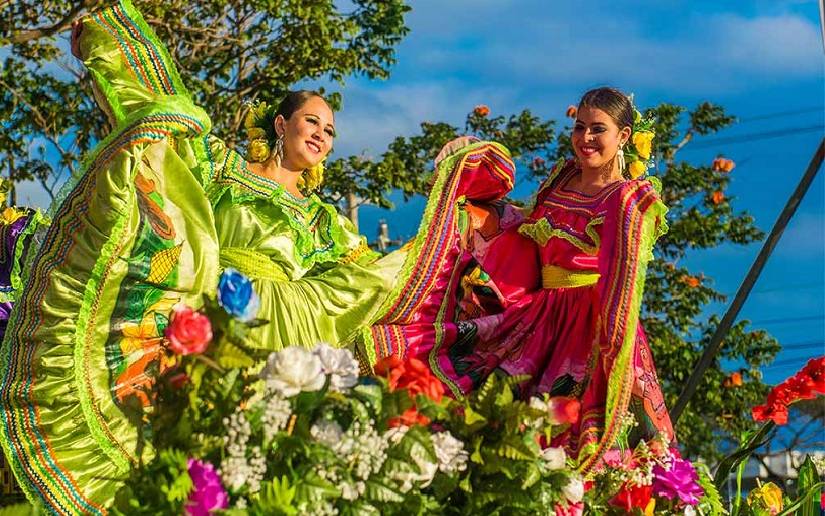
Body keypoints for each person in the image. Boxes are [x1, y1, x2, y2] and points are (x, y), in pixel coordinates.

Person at [0, 1, 515, 512]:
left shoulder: (323, 220)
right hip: (214, 301)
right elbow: (161, 119)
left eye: (329, 131)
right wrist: (106, 49)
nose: (320, 134)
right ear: (280, 124)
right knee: (184, 427)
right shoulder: (223, 169)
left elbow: (376, 274)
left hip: (288, 324)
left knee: (258, 454)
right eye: (312, 121)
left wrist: (455, 213)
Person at [368, 87, 675, 473]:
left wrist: (611, 344)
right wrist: (469, 193)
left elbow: (623, 276)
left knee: (585, 440)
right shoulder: (561, 180)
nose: (585, 139)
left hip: (594, 326)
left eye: (598, 129)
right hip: (540, 317)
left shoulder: (628, 198)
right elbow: (524, 226)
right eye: (579, 128)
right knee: (500, 417)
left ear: (624, 137)